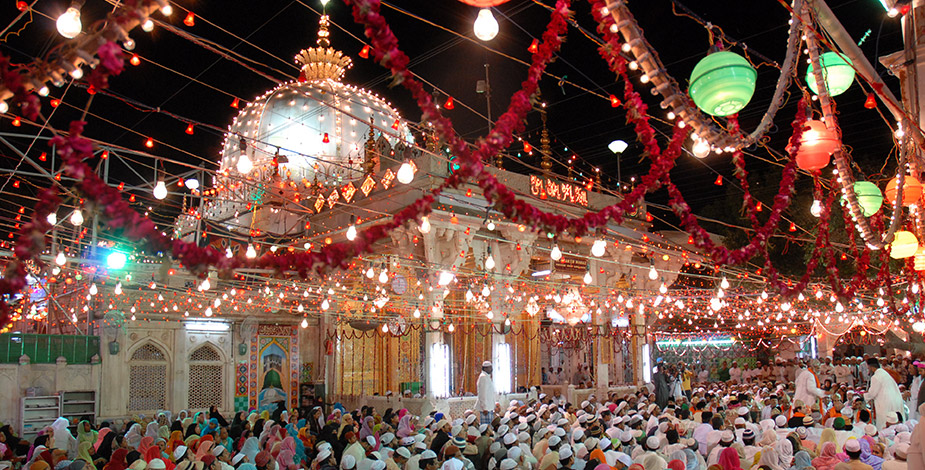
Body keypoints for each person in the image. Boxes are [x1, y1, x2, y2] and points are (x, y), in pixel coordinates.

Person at [865, 358, 905, 429]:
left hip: (885, 403)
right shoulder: (884, 373)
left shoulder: (876, 377)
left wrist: (863, 396)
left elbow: (872, 393)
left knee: (884, 423)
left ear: (870, 367)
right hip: (894, 400)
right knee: (895, 423)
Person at [475, 361, 497, 426]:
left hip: (489, 407)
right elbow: (482, 394)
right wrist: (484, 407)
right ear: (485, 368)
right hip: (486, 409)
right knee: (486, 428)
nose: (491, 369)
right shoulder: (483, 377)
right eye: (489, 368)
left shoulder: (487, 377)